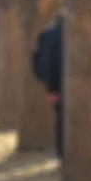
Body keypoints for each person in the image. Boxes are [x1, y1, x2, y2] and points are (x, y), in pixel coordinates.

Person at [32, 12, 64, 159]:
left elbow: (40, 61)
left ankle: (62, 154)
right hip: (62, 84)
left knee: (61, 120)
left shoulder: (48, 33)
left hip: (57, 85)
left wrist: (50, 86)